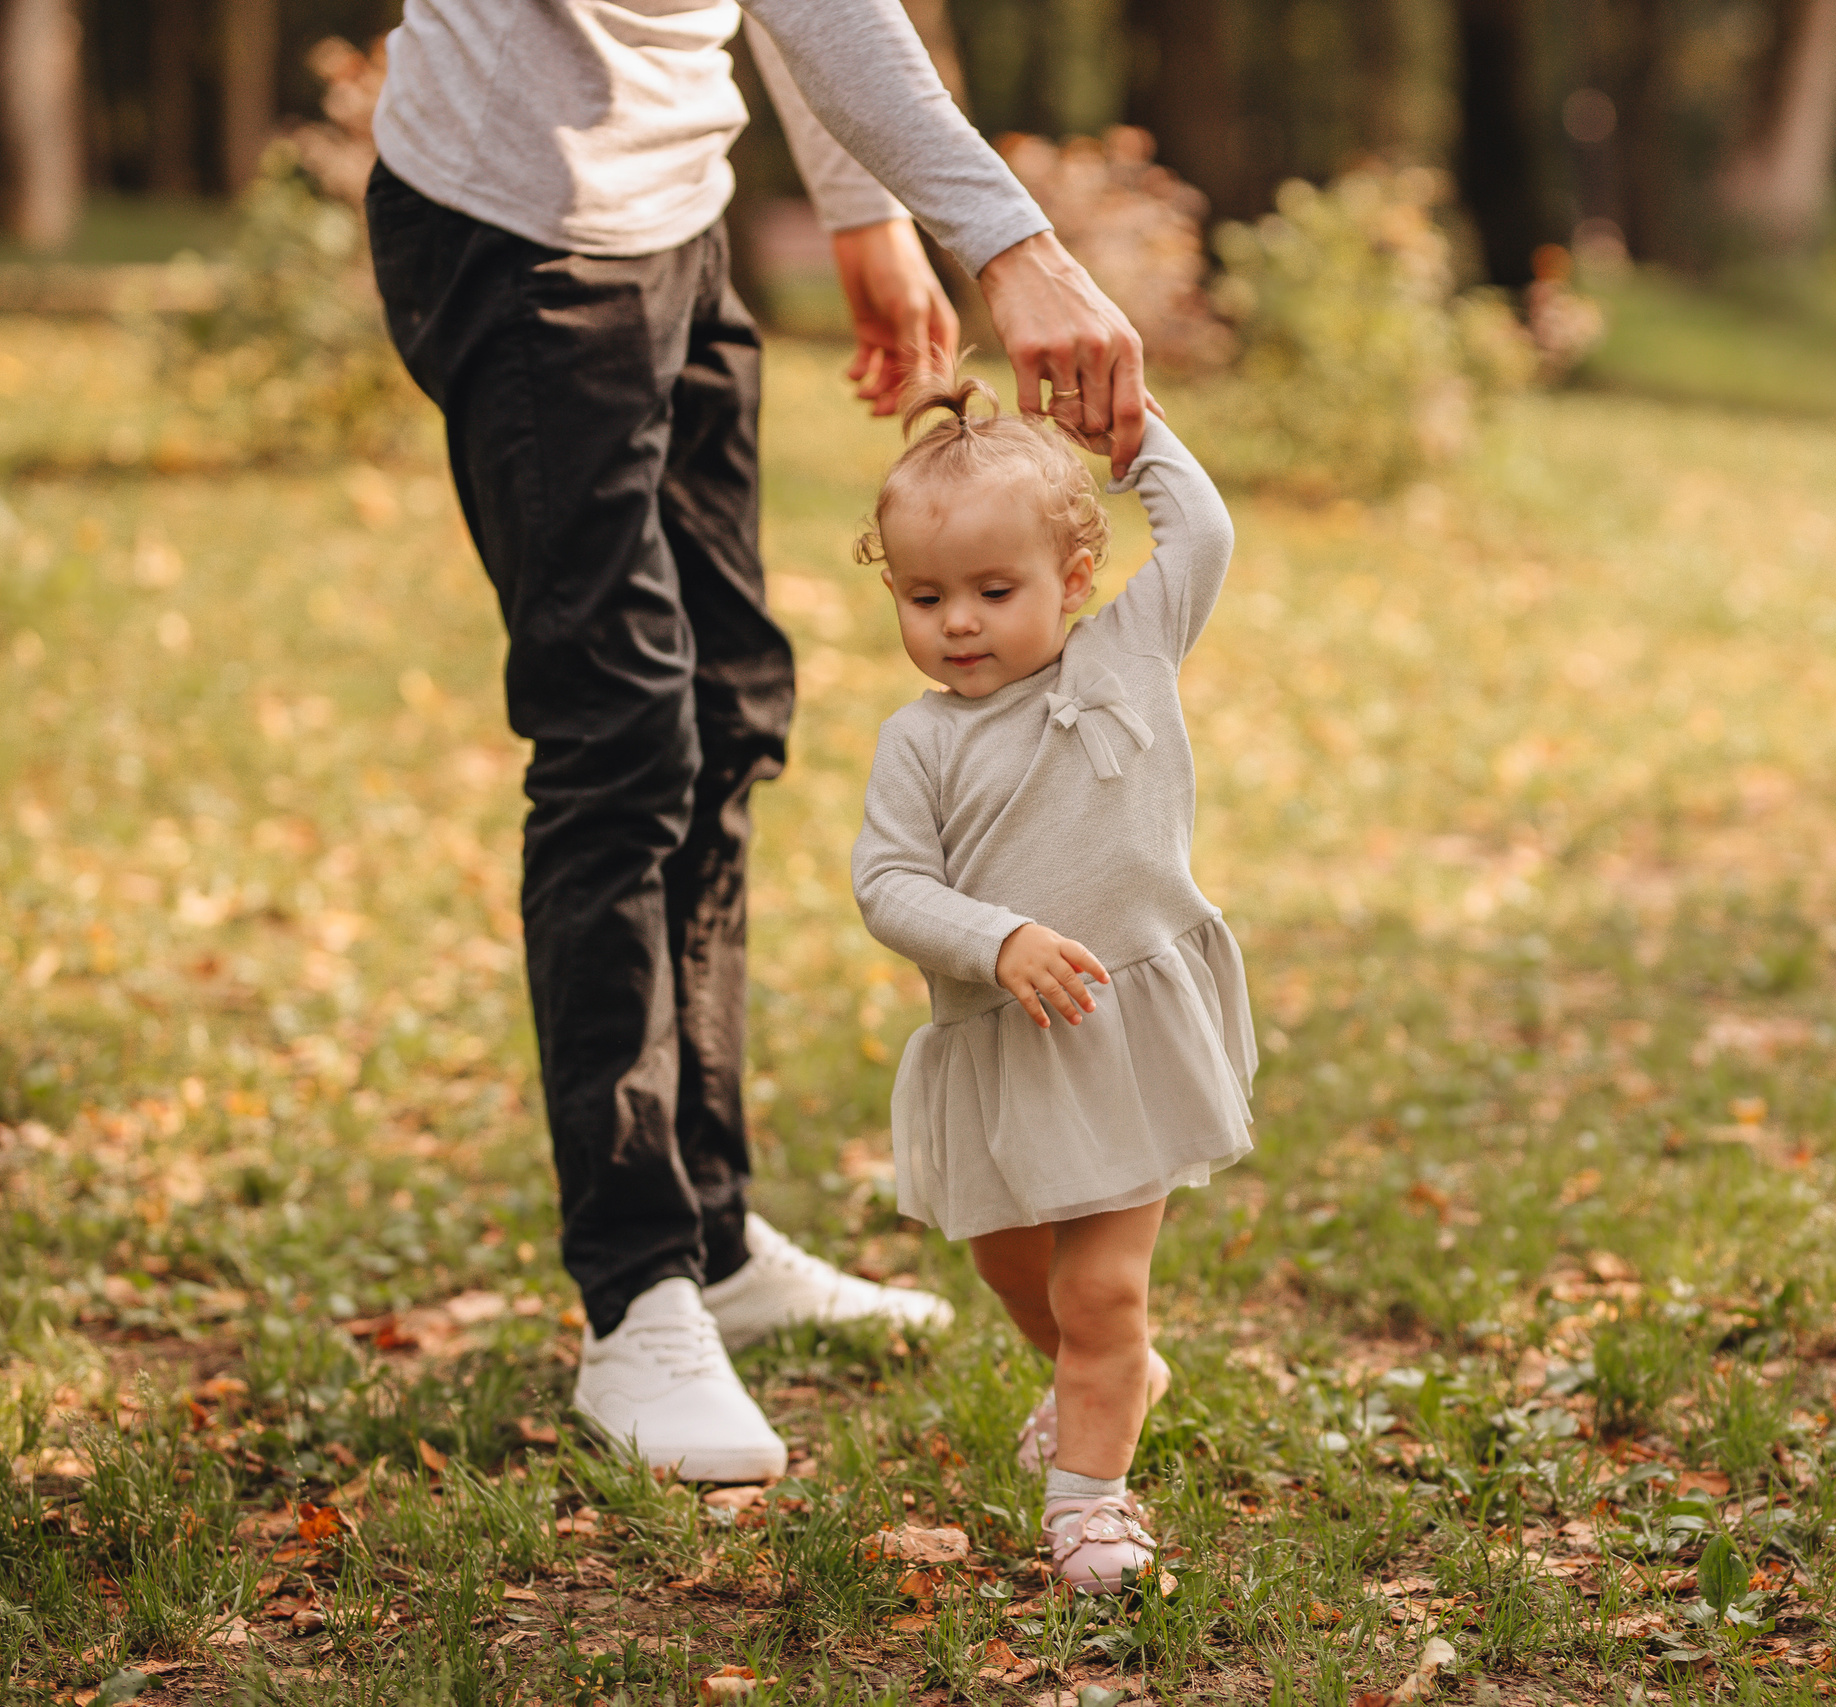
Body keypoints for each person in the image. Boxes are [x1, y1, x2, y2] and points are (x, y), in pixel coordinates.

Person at [361, 0, 1151, 1485]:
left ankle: (711, 1235)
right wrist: (1010, 238)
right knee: (618, 736)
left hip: (673, 211)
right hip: (516, 224)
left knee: (726, 709)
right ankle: (636, 1284)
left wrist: (858, 211)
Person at [850, 364, 1251, 1592]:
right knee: (1011, 1265)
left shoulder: (1126, 651)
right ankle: (1112, 1370)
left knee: (1098, 1286)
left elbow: (1203, 531)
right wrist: (996, 939)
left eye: (991, 590)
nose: (957, 622)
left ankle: (1091, 1505)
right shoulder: (918, 741)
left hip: (1121, 1028)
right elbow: (887, 883)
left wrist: (1129, 434)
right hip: (1005, 1040)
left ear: (1074, 583)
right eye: (925, 597)